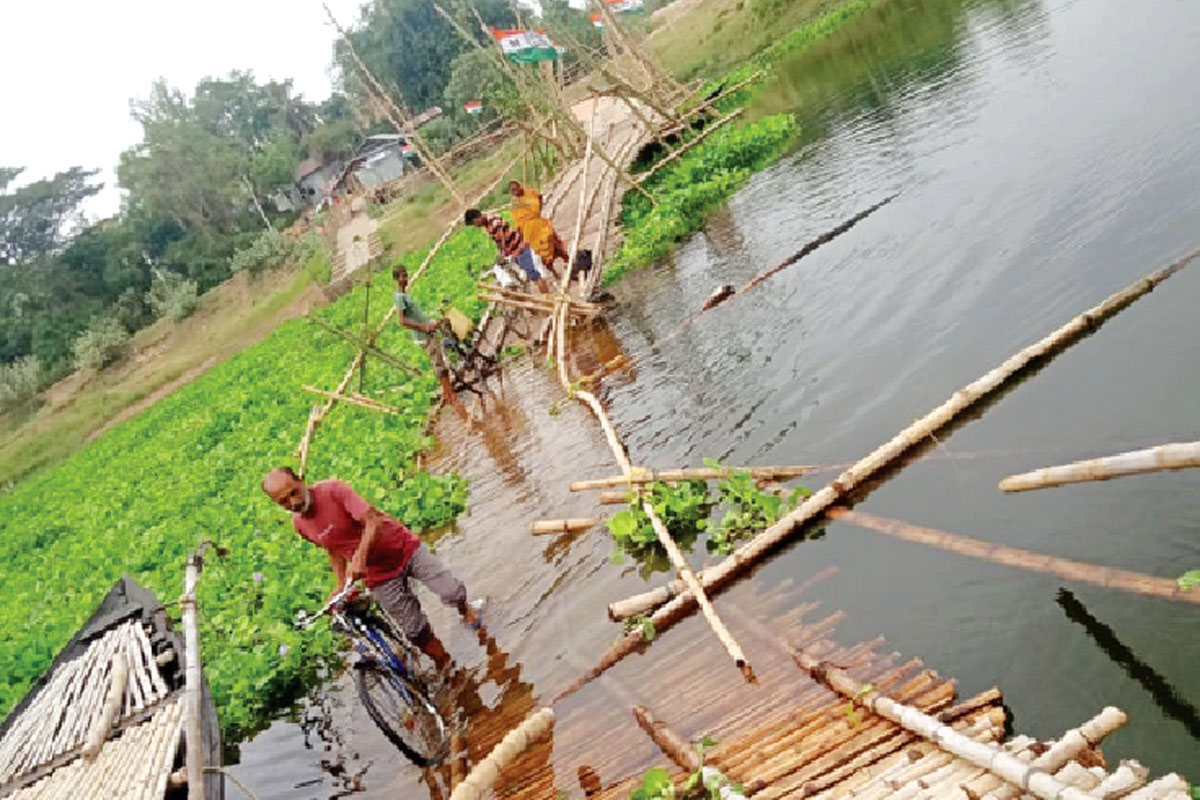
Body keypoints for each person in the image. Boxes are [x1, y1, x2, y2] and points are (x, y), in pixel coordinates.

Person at [261, 467, 481, 672]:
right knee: (415, 631)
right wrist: (340, 585)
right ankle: (447, 666)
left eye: (294, 493)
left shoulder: (334, 490)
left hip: (403, 549)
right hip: (378, 576)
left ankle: (465, 610)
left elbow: (373, 522)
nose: (294, 503)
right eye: (284, 502)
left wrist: (359, 558)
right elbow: (333, 549)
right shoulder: (300, 525)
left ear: (301, 481)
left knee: (452, 592)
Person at [393, 266, 464, 413]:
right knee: (440, 365)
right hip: (423, 335)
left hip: (427, 330)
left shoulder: (405, 295)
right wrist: (424, 327)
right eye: (401, 277)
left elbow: (415, 314)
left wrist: (430, 321)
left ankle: (447, 393)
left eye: (406, 276)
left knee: (441, 360)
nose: (405, 279)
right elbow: (402, 321)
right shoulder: (399, 297)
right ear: (396, 279)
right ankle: (451, 396)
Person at [464, 208, 551, 293]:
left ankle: (548, 299)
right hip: (514, 252)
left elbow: (501, 237)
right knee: (527, 275)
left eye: (474, 223)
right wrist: (501, 253)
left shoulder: (492, 221)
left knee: (534, 275)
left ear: (477, 218)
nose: (475, 226)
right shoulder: (487, 225)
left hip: (519, 248)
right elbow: (498, 241)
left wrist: (503, 252)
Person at [508, 181, 568, 277]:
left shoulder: (531, 193)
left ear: (520, 186)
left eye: (516, 188)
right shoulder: (515, 205)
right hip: (529, 232)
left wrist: (539, 209)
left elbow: (540, 197)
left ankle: (568, 261)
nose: (516, 192)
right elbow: (518, 222)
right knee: (541, 254)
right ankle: (554, 272)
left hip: (540, 224)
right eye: (513, 191)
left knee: (553, 242)